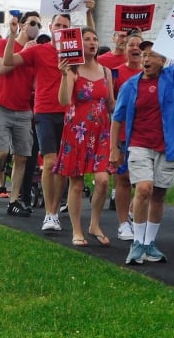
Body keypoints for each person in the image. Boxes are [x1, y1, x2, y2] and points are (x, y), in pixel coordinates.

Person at [110, 28, 174, 266]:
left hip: (167, 146)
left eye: (151, 55)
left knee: (159, 194)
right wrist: (114, 149)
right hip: (139, 144)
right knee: (144, 189)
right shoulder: (130, 86)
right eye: (144, 56)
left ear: (163, 61)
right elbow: (117, 117)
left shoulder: (172, 76)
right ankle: (137, 243)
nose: (146, 59)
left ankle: (149, 244)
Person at [3, 9, 93, 231]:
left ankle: (54, 208)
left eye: (65, 27)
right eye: (58, 26)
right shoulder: (39, 50)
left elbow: (93, 42)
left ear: (71, 31)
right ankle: (49, 214)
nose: (61, 30)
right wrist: (12, 35)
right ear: (50, 28)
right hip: (44, 111)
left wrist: (89, 12)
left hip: (69, 113)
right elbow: (8, 61)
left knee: (63, 165)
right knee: (50, 162)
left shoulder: (75, 53)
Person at [55, 27, 115, 246]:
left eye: (95, 39)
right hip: (77, 131)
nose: (92, 42)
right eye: (87, 39)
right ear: (78, 45)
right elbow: (63, 101)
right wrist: (63, 75)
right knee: (77, 184)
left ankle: (95, 224)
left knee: (102, 180)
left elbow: (111, 103)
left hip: (101, 131)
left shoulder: (106, 71)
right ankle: (77, 229)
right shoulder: (72, 70)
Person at [0, 11, 39, 217]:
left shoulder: (36, 51)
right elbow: (1, 69)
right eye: (32, 23)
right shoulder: (5, 43)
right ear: (23, 25)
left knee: (22, 156)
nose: (35, 27)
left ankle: (14, 200)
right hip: (1, 105)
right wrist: (23, 51)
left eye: (38, 24)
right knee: (0, 153)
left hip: (24, 109)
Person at [111, 33, 144, 241]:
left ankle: (134, 212)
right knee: (123, 179)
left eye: (139, 45)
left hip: (143, 135)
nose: (135, 48)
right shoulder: (116, 73)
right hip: (123, 133)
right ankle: (123, 223)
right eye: (131, 44)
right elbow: (111, 103)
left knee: (141, 182)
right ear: (125, 48)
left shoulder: (150, 74)